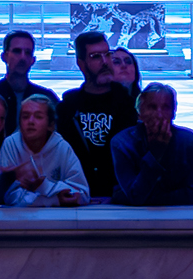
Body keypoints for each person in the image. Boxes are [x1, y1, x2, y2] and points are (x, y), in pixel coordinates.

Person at [58, 31, 138, 201]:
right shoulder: (67, 108)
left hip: (121, 199)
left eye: (107, 54)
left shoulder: (131, 106)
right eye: (95, 56)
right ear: (81, 64)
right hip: (76, 197)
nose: (105, 62)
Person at [110, 83, 193, 206]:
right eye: (152, 107)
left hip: (179, 215)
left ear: (173, 113)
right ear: (140, 113)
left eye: (165, 107)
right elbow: (135, 195)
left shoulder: (187, 140)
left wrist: (146, 199)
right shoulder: (122, 143)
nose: (159, 115)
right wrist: (155, 154)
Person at [0, 94, 89, 207]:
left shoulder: (62, 147)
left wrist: (42, 186)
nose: (30, 121)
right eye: (25, 116)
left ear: (51, 125)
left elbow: (82, 194)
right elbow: (8, 196)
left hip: (58, 221)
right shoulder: (10, 144)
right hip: (18, 220)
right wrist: (55, 199)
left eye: (38, 117)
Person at [0, 30, 59, 120]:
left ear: (33, 60)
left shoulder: (46, 98)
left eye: (28, 53)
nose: (23, 57)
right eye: (17, 51)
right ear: (4, 56)